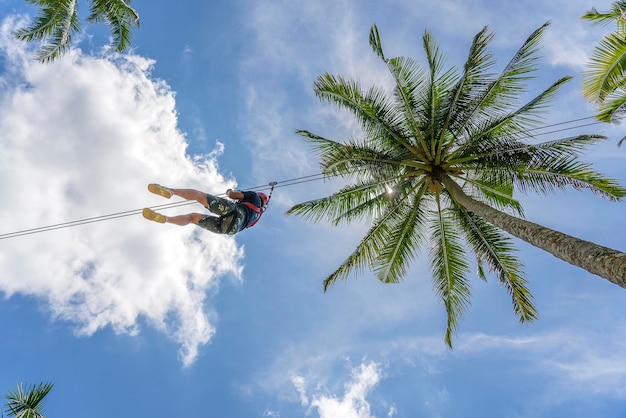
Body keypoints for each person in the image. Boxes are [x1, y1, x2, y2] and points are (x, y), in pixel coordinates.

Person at [142, 183, 269, 235]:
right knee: (193, 218)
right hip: (229, 230)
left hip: (234, 212)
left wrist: (230, 191)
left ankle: (171, 192)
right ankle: (165, 219)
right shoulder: (255, 218)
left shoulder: (254, 197)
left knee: (200, 196)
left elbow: (232, 195)